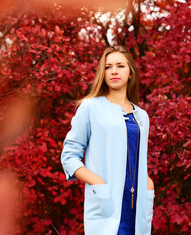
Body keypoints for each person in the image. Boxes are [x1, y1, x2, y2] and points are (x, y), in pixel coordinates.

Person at [60, 46, 155, 235]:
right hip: (107, 202)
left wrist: (148, 184)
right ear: (102, 73)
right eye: (108, 67)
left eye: (120, 66)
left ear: (130, 73)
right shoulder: (90, 107)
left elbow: (137, 157)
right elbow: (69, 156)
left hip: (138, 205)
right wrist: (96, 182)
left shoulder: (142, 116)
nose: (114, 71)